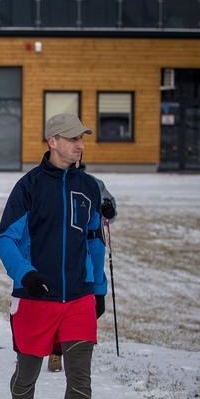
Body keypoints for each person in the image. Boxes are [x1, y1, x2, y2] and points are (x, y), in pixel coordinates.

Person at [0, 113, 107, 399]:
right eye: (72, 138)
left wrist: (98, 288)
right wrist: (25, 273)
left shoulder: (88, 187)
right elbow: (5, 239)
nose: (79, 145)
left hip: (78, 297)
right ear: (52, 141)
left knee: (80, 377)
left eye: (82, 138)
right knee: (26, 374)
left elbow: (94, 240)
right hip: (36, 297)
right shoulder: (28, 187)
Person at [47, 157, 117, 373]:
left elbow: (111, 211)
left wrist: (109, 209)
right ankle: (57, 350)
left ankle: (74, 346)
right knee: (63, 303)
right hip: (66, 247)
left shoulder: (94, 183)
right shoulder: (52, 182)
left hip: (93, 244)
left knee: (95, 304)